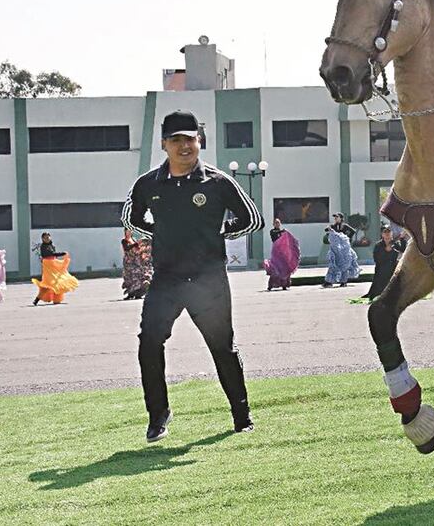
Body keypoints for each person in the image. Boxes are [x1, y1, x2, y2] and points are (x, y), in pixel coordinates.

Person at [123, 109, 264, 442]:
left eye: (190, 139)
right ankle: (158, 416)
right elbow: (131, 218)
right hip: (167, 279)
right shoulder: (147, 184)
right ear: (164, 144)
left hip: (209, 281)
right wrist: (159, 232)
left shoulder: (218, 181)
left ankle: (241, 416)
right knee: (149, 343)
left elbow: (252, 219)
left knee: (222, 348)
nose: (184, 146)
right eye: (176, 140)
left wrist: (220, 233)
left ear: (199, 141)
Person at [31, 232, 78, 305]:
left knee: (57, 282)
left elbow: (53, 256)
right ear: (42, 239)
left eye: (48, 237)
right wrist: (61, 253)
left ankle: (57, 299)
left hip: (53, 265)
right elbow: (50, 254)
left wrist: (59, 258)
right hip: (48, 267)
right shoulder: (43, 246)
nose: (47, 239)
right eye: (45, 238)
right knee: (47, 284)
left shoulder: (52, 246)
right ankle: (36, 300)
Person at [365, 226, 407, 299]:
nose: (388, 238)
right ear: (383, 235)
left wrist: (402, 238)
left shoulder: (395, 243)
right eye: (386, 236)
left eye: (389, 236)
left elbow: (403, 249)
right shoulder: (378, 245)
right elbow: (376, 259)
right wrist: (386, 251)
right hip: (382, 268)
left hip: (393, 267)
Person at [265, 219, 300, 291]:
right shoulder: (272, 231)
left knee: (284, 266)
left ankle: (284, 285)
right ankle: (271, 285)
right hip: (276, 251)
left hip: (282, 251)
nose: (277, 224)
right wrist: (282, 231)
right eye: (276, 223)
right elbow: (275, 234)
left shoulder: (283, 232)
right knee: (276, 267)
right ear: (273, 224)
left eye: (278, 223)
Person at [120, 229, 153, 300]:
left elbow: (139, 249)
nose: (129, 233)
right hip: (129, 262)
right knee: (129, 277)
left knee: (139, 277)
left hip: (136, 261)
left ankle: (138, 293)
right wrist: (136, 244)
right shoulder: (124, 241)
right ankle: (130, 294)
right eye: (127, 232)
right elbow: (126, 248)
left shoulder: (133, 240)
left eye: (130, 232)